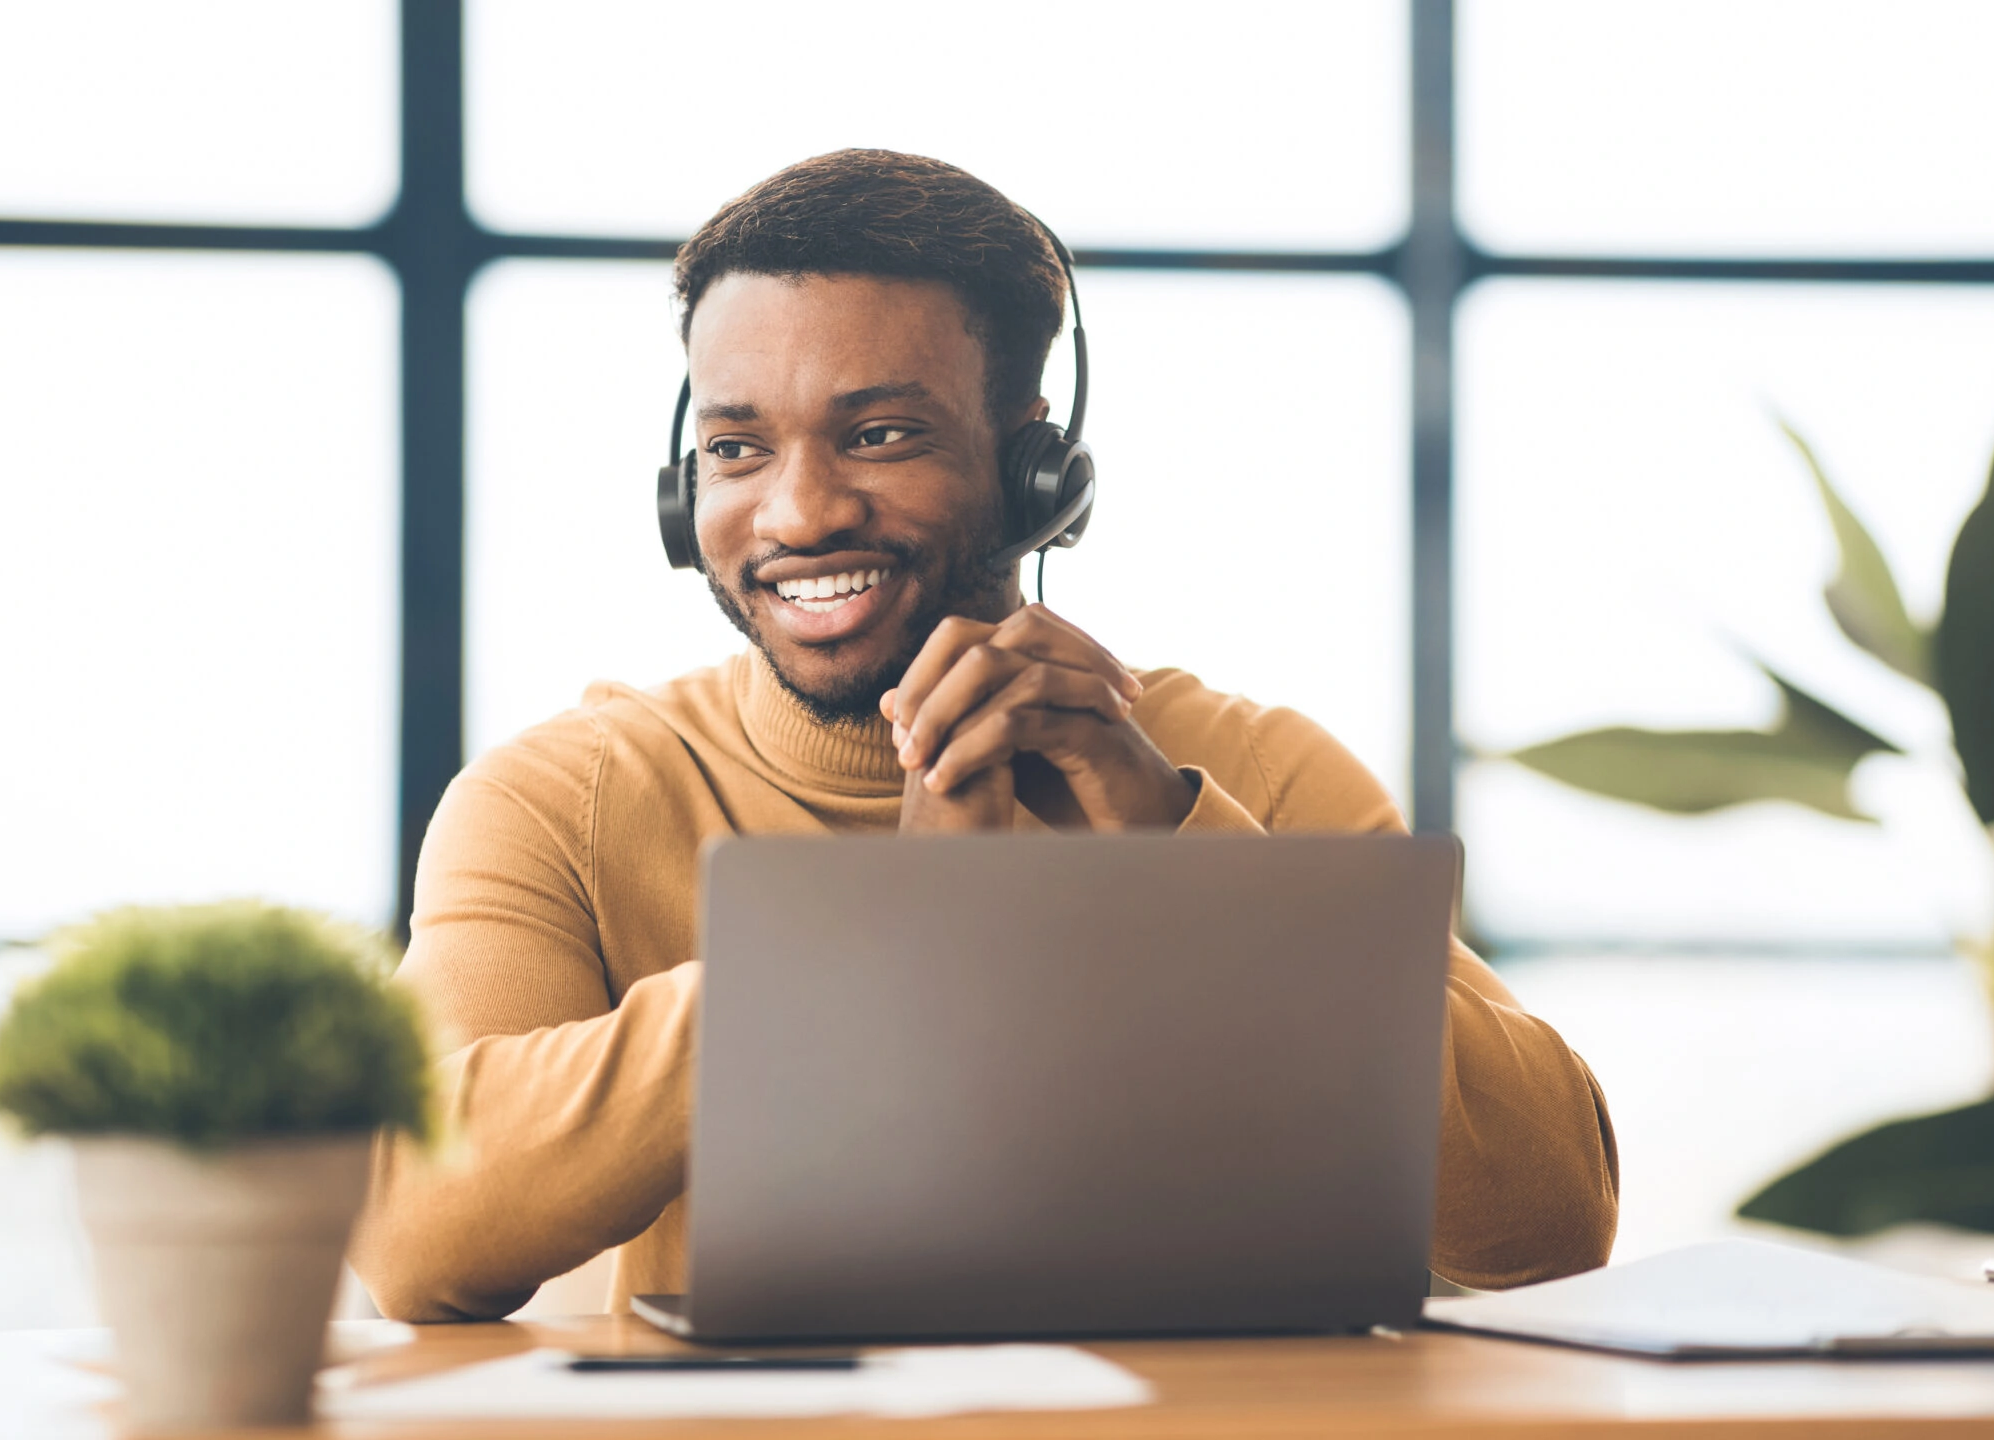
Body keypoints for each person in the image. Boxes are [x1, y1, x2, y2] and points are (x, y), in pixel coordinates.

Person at [350, 149, 1618, 1321]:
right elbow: (413, 1235)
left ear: (1037, 479)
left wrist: (1179, 851)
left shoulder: (1255, 772)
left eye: (879, 435)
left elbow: (1547, 1223)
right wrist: (885, 928)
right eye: (736, 448)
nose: (795, 512)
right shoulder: (561, 800)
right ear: (685, 498)